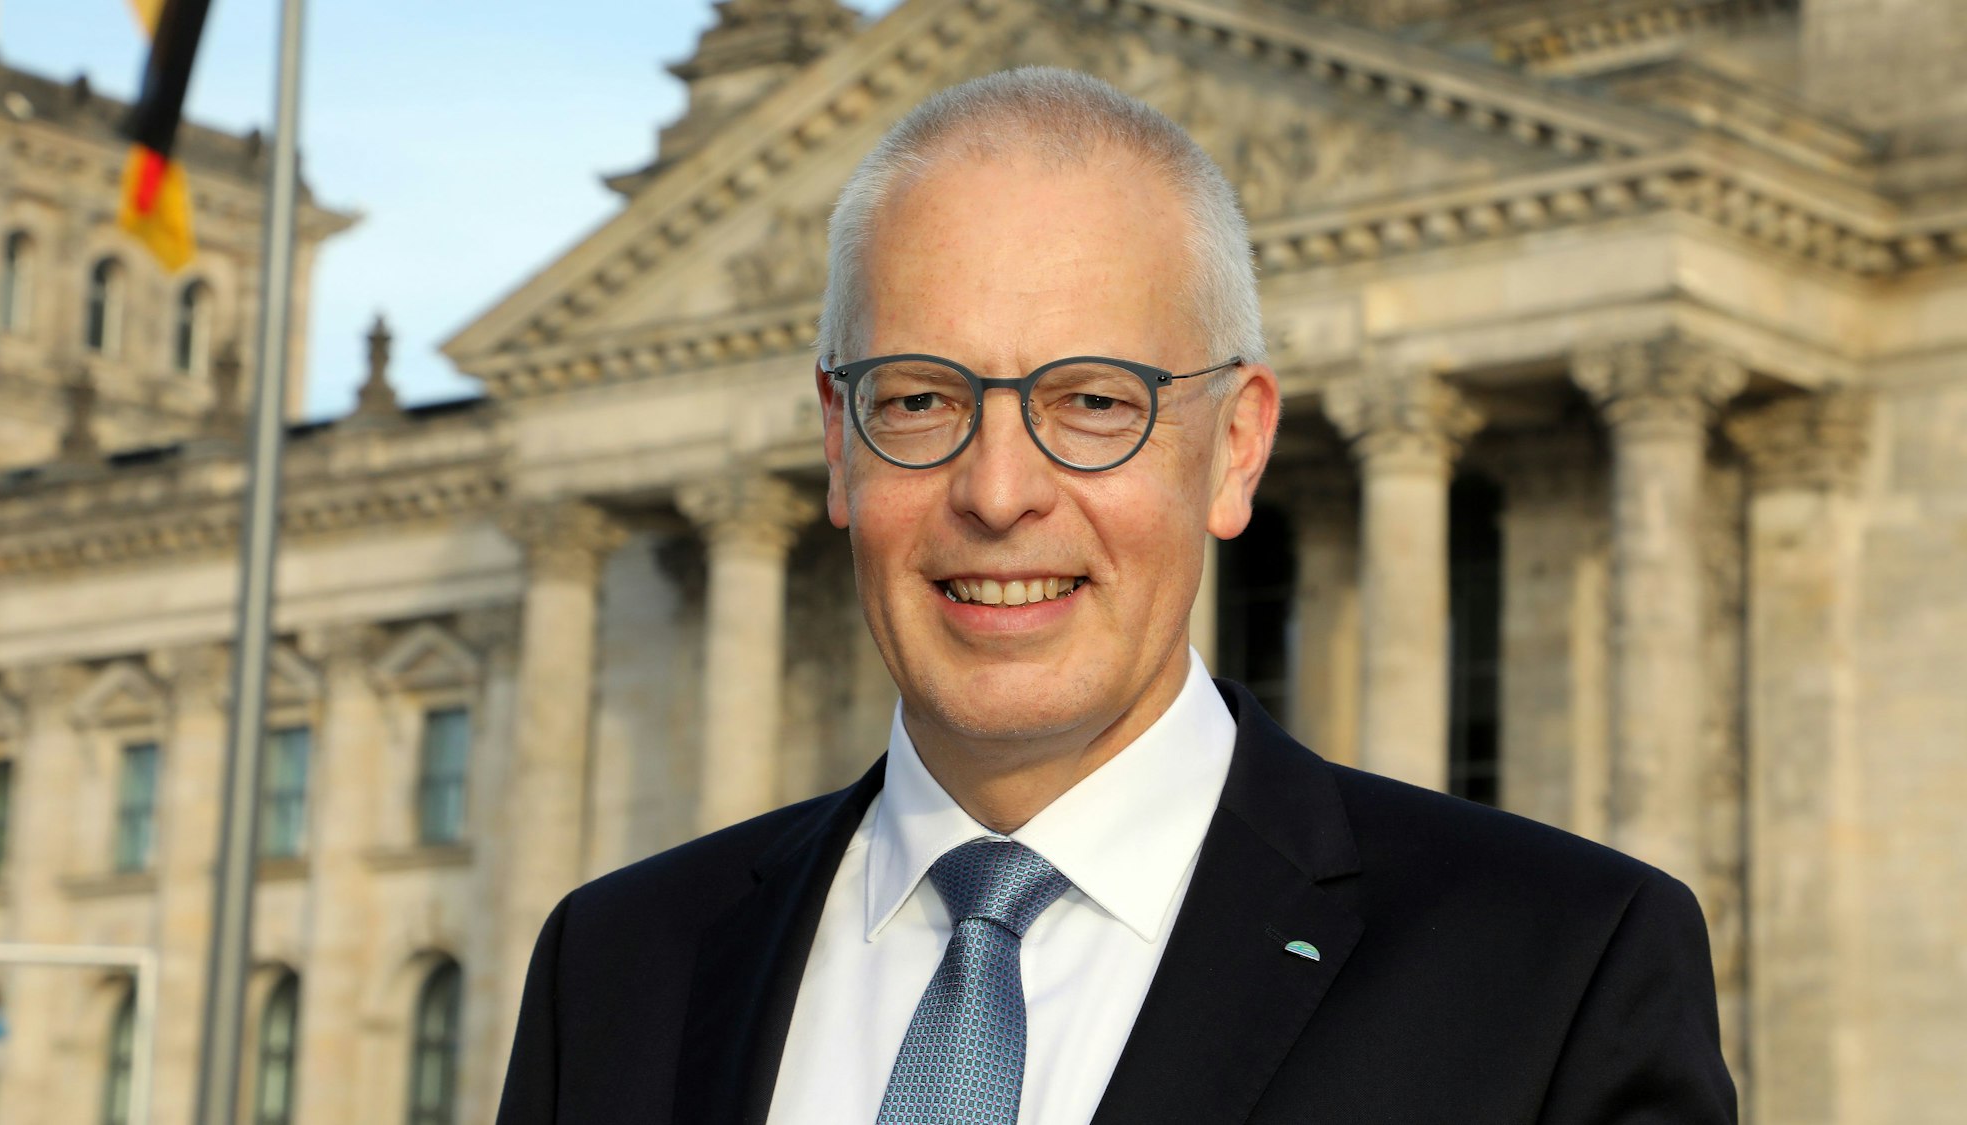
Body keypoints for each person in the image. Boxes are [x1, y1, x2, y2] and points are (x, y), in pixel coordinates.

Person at [495, 67, 1735, 1125]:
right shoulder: (612, 972)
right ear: (837, 440)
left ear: (1235, 447)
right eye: (919, 399)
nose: (997, 493)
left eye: (1093, 402)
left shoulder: (1562, 968)